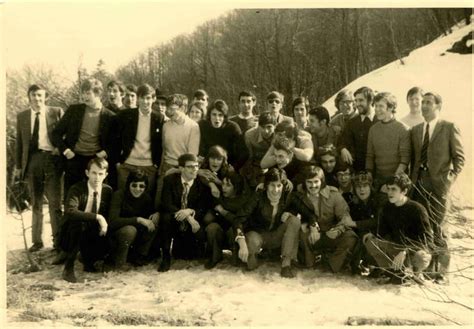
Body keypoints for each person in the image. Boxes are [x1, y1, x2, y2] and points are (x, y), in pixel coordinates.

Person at [410, 92, 464, 284]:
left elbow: (459, 158)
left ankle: (442, 273)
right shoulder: (416, 130)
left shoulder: (448, 127)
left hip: (439, 187)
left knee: (440, 228)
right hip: (419, 186)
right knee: (424, 227)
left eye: (428, 103)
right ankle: (427, 269)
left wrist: (448, 180)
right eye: (423, 102)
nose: (424, 106)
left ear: (438, 106)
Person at [15, 84, 64, 253]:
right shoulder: (22, 117)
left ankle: (58, 242)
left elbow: (64, 135)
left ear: (45, 97)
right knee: (36, 202)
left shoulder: (56, 112)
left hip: (52, 159)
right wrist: (19, 166)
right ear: (29, 97)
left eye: (40, 95)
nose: (37, 99)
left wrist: (61, 148)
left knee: (55, 202)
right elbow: (19, 144)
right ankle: (37, 241)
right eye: (34, 95)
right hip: (32, 161)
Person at [52, 78, 116, 200]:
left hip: (95, 161)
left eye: (88, 93)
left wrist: (105, 152)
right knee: (71, 196)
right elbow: (56, 133)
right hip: (74, 159)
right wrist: (66, 151)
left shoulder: (110, 116)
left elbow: (116, 142)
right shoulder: (74, 110)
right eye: (83, 93)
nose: (84, 96)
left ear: (98, 94)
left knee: (95, 197)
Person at [363, 174, 433, 284]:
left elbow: (428, 241)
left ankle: (416, 273)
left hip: (413, 252)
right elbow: (382, 231)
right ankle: (391, 271)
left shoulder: (417, 209)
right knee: (370, 242)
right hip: (396, 249)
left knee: (421, 256)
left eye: (394, 189)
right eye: (388, 189)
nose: (389, 192)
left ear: (404, 191)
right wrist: (372, 234)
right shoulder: (387, 207)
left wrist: (406, 251)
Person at [286, 165, 358, 272]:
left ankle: (331, 266)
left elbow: (345, 217)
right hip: (312, 236)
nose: (313, 185)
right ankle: (309, 263)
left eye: (316, 182)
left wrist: (337, 230)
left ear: (322, 181)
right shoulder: (299, 196)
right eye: (309, 182)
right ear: (304, 183)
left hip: (331, 233)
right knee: (301, 232)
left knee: (351, 237)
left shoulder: (333, 195)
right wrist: (307, 225)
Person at [235, 168, 301, 278]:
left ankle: (286, 264)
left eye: (279, 185)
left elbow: (305, 211)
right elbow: (239, 219)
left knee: (294, 220)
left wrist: (292, 213)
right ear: (266, 185)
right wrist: (241, 242)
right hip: (258, 236)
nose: (275, 190)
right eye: (272, 185)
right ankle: (256, 256)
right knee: (251, 266)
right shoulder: (258, 196)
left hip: (275, 236)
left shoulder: (287, 196)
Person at [59, 157, 113, 283]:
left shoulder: (107, 191)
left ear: (106, 175)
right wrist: (98, 217)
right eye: (94, 173)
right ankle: (68, 268)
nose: (97, 177)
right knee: (77, 224)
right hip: (72, 231)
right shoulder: (76, 189)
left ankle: (89, 261)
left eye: (100, 174)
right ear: (87, 173)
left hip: (94, 230)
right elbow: (70, 211)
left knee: (108, 234)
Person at [157, 153, 212, 272]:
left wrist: (190, 211)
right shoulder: (170, 180)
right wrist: (187, 216)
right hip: (175, 219)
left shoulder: (201, 184)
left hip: (192, 224)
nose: (195, 169)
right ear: (181, 168)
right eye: (190, 166)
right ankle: (166, 257)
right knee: (165, 217)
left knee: (187, 255)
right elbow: (166, 203)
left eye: (196, 166)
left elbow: (203, 207)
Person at [115, 84, 165, 195]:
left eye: (148, 98)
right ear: (138, 99)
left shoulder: (159, 118)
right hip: (127, 164)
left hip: (149, 166)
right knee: (123, 196)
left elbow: (160, 143)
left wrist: (155, 165)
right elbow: (116, 139)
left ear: (153, 99)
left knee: (146, 200)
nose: (145, 101)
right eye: (142, 98)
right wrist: (118, 162)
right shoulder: (126, 115)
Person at [155, 94, 200, 207]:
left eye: (172, 109)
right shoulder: (166, 126)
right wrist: (161, 170)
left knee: (178, 203)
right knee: (158, 202)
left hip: (184, 169)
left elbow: (192, 155)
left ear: (183, 108)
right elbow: (163, 149)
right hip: (166, 167)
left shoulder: (193, 127)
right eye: (168, 108)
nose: (169, 112)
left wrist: (177, 170)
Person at [108, 170, 157, 270]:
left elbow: (149, 219)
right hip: (115, 236)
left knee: (153, 224)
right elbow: (112, 221)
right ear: (128, 184)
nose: (137, 189)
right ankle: (119, 263)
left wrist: (156, 214)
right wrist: (137, 219)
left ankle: (138, 258)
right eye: (134, 185)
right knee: (130, 230)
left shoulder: (146, 198)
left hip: (133, 238)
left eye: (141, 186)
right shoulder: (119, 195)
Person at [204, 170, 251, 268]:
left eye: (228, 185)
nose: (223, 187)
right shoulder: (218, 195)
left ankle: (235, 253)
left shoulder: (243, 201)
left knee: (236, 263)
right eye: (223, 184)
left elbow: (237, 220)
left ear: (236, 187)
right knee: (212, 227)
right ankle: (215, 256)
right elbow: (203, 177)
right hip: (220, 233)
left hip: (236, 234)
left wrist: (223, 212)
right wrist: (212, 184)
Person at [366, 92, 410, 192]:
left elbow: (405, 160)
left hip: (397, 182)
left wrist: (392, 182)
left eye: (381, 106)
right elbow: (370, 156)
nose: (377, 109)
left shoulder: (403, 129)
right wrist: (369, 177)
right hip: (378, 180)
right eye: (375, 106)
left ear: (390, 108)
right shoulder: (373, 129)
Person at [198, 99, 246, 169]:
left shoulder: (232, 127)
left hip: (227, 166)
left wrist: (234, 168)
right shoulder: (202, 126)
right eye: (214, 114)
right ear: (209, 115)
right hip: (206, 166)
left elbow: (243, 152)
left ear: (224, 117)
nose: (217, 118)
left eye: (220, 115)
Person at [348, 171, 380, 274]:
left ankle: (377, 267)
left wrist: (356, 224)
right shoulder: (354, 202)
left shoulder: (378, 200)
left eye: (365, 186)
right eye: (358, 186)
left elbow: (378, 221)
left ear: (370, 186)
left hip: (379, 234)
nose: (361, 189)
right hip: (362, 235)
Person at [339, 86, 377, 171]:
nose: (357, 104)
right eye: (356, 101)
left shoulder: (378, 121)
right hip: (357, 169)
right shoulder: (352, 122)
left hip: (376, 168)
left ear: (370, 101)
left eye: (361, 100)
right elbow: (342, 140)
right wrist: (343, 149)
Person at [241, 112, 277, 188]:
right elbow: (249, 157)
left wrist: (269, 166)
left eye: (269, 127)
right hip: (256, 165)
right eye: (262, 127)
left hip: (275, 164)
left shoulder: (279, 136)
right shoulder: (250, 135)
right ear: (258, 126)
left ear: (275, 126)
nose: (266, 131)